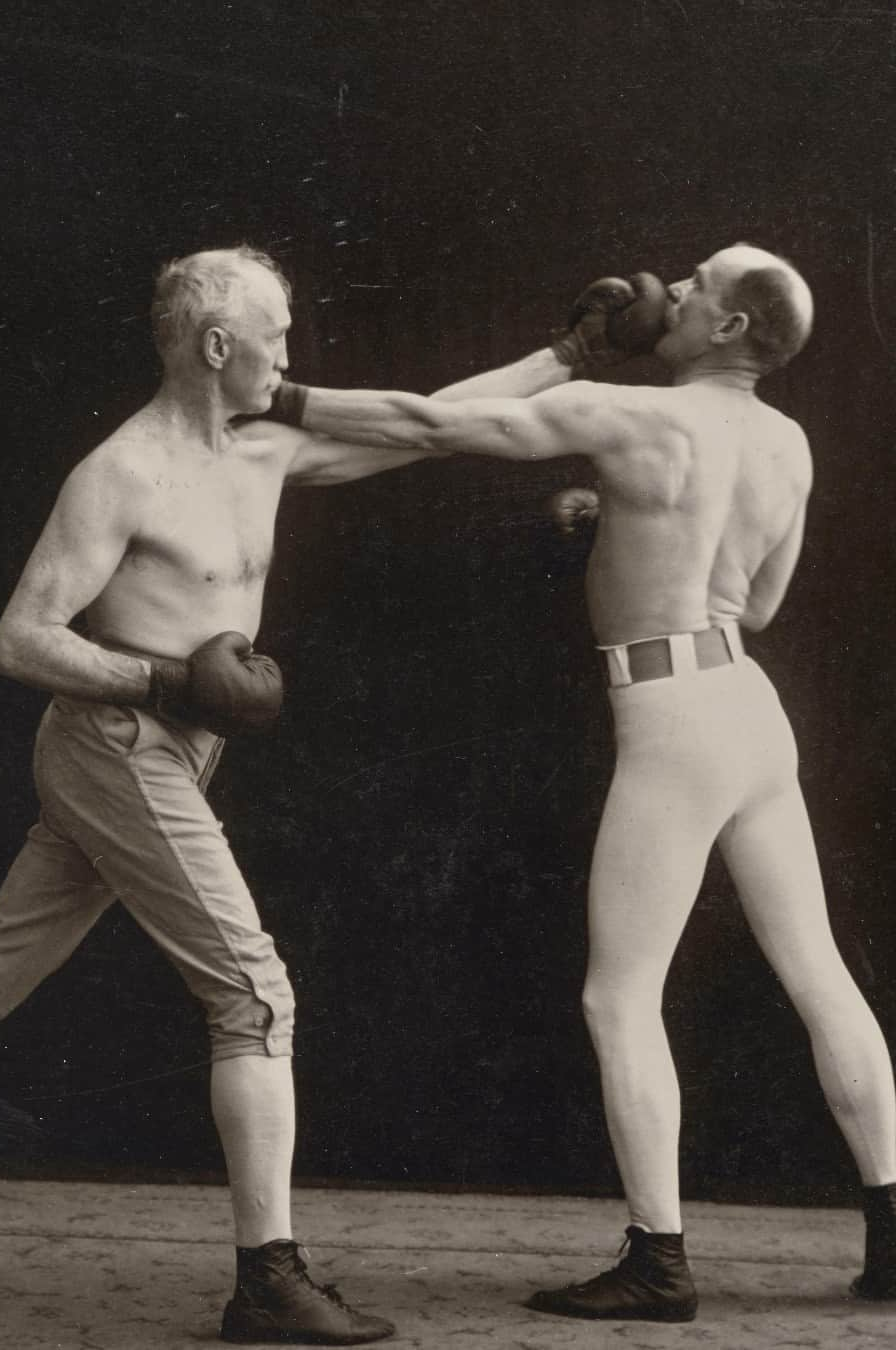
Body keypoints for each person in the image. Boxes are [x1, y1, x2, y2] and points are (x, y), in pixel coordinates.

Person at [0, 245, 455, 1345]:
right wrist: (164, 677)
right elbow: (20, 639)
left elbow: (432, 424)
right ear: (219, 346)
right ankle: (267, 1279)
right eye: (276, 337)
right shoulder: (122, 472)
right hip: (117, 745)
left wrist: (572, 363)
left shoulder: (258, 453)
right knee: (255, 995)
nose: (290, 357)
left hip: (161, 754)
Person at [265, 244, 896, 1319]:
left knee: (618, 997)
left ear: (734, 327)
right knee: (820, 973)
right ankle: (893, 1240)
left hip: (674, 721)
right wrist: (619, 526)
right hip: (749, 711)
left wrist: (275, 393)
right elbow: (759, 607)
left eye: (700, 285)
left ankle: (659, 1262)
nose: (677, 289)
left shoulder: (631, 415)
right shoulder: (787, 444)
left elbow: (425, 425)